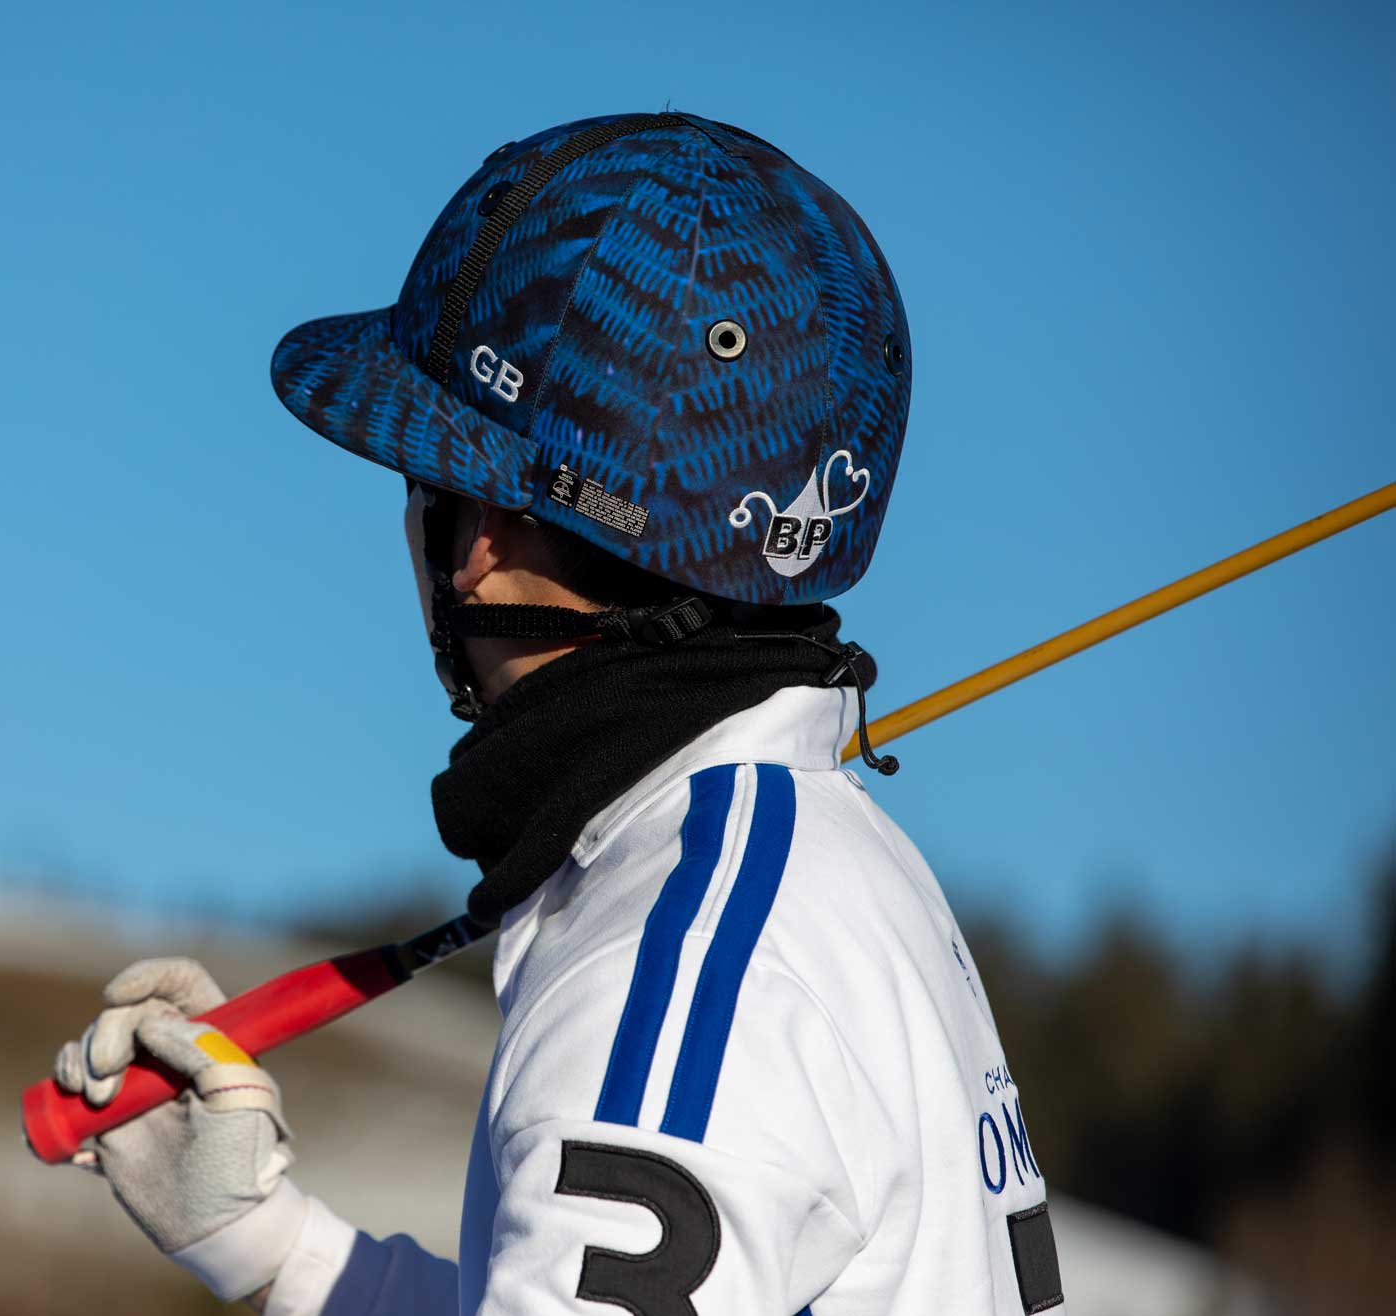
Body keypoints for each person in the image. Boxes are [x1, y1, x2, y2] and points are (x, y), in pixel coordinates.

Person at [53, 111, 1062, 1316]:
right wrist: (277, 1251)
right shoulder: (834, 875)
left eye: (425, 478)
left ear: (477, 535)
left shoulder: (681, 973)